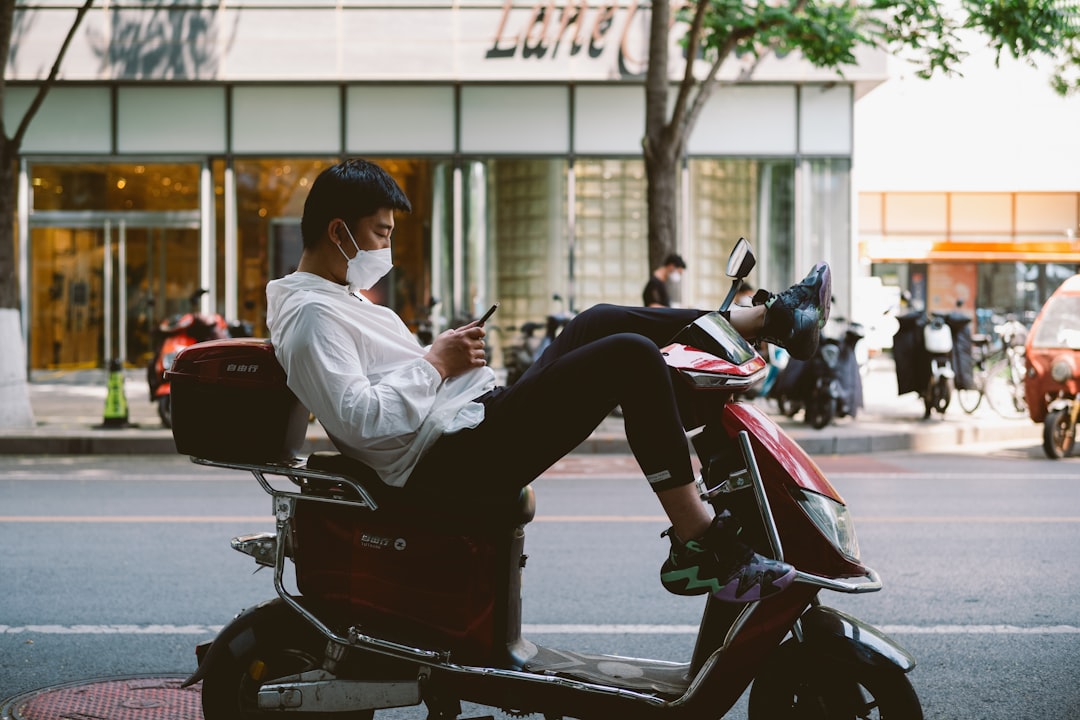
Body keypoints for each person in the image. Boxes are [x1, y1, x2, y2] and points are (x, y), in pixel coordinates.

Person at [266, 159, 832, 604]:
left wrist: (441, 364)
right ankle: (703, 544)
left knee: (599, 320)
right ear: (339, 231)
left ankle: (772, 319)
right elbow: (360, 420)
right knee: (631, 355)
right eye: (380, 233)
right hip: (446, 462)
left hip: (468, 422)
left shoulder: (336, 300)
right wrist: (436, 362)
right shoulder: (312, 318)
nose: (386, 248)